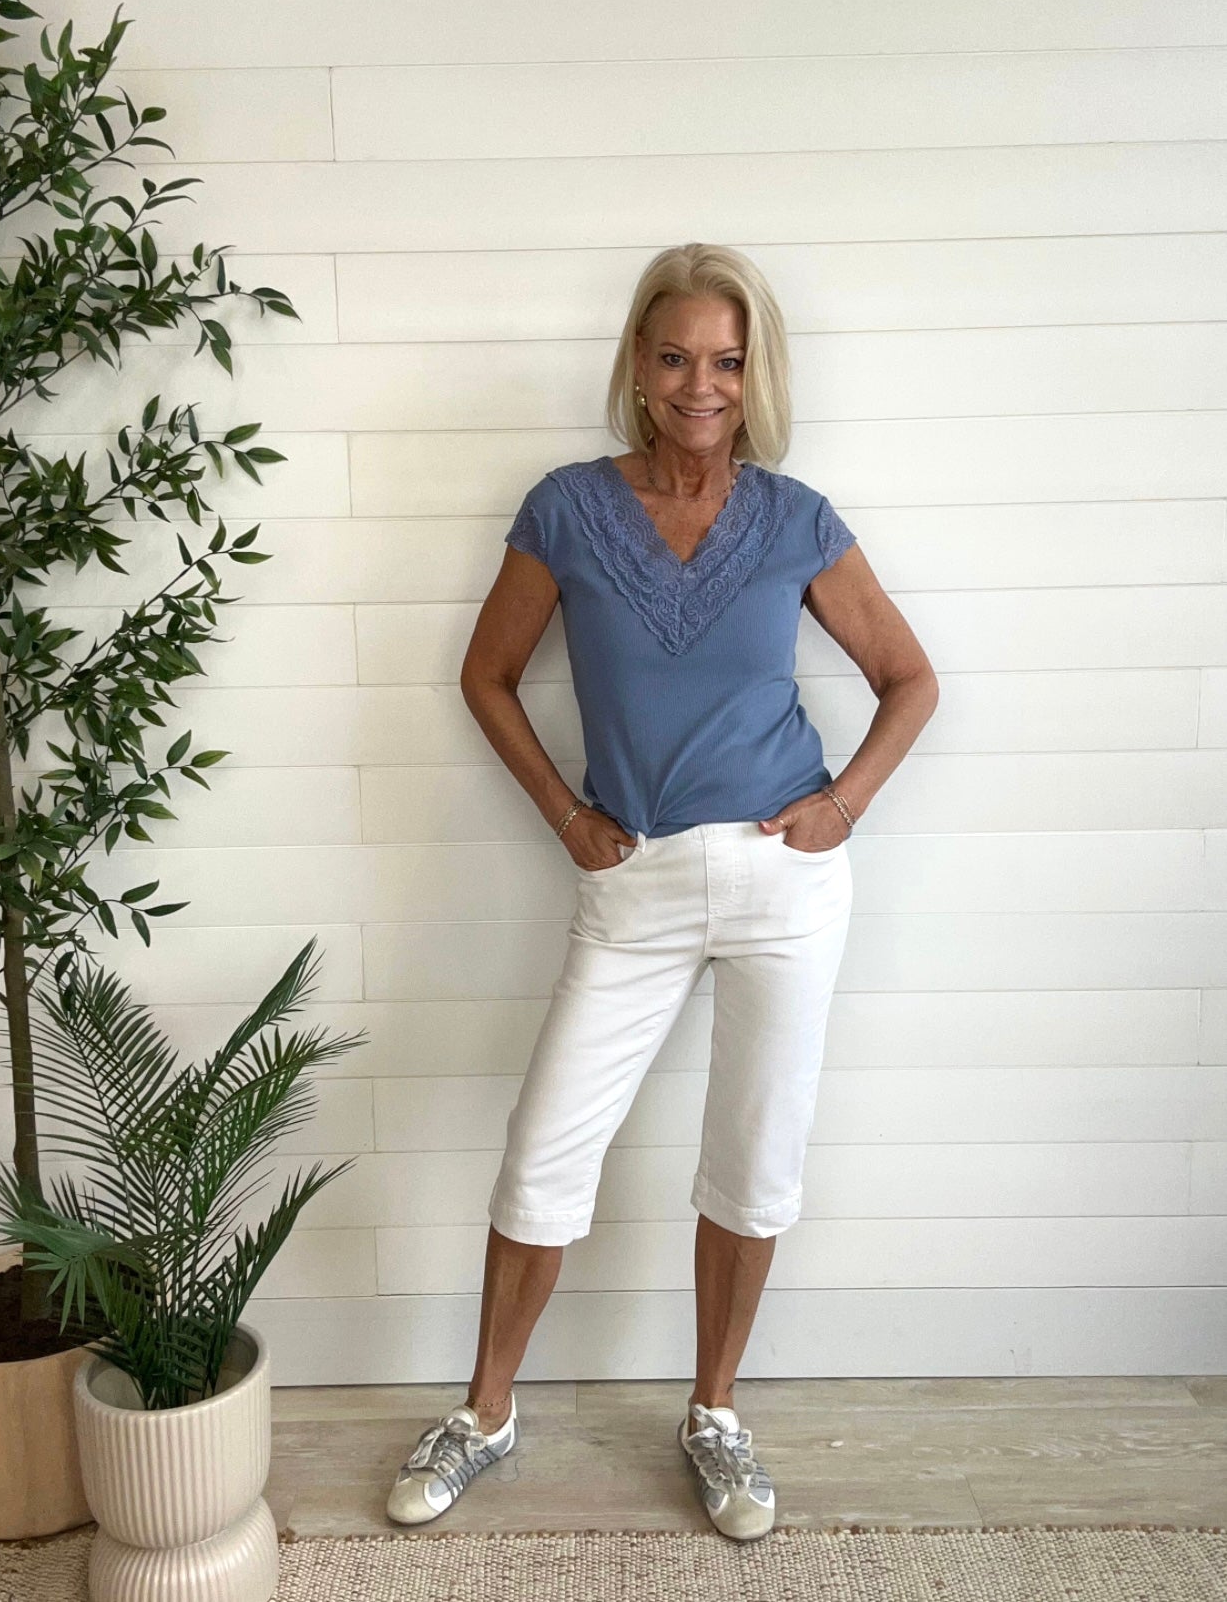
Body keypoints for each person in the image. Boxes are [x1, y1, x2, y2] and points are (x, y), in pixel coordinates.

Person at [386, 243, 939, 1541]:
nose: (702, 385)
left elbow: (911, 680)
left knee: (754, 1155)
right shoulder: (568, 509)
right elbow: (485, 675)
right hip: (632, 879)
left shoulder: (796, 518)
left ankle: (714, 1413)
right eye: (678, 356)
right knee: (543, 1155)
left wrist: (842, 805)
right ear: (639, 363)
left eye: (728, 362)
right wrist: (565, 814)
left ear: (756, 375)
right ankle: (486, 1412)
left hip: (785, 878)